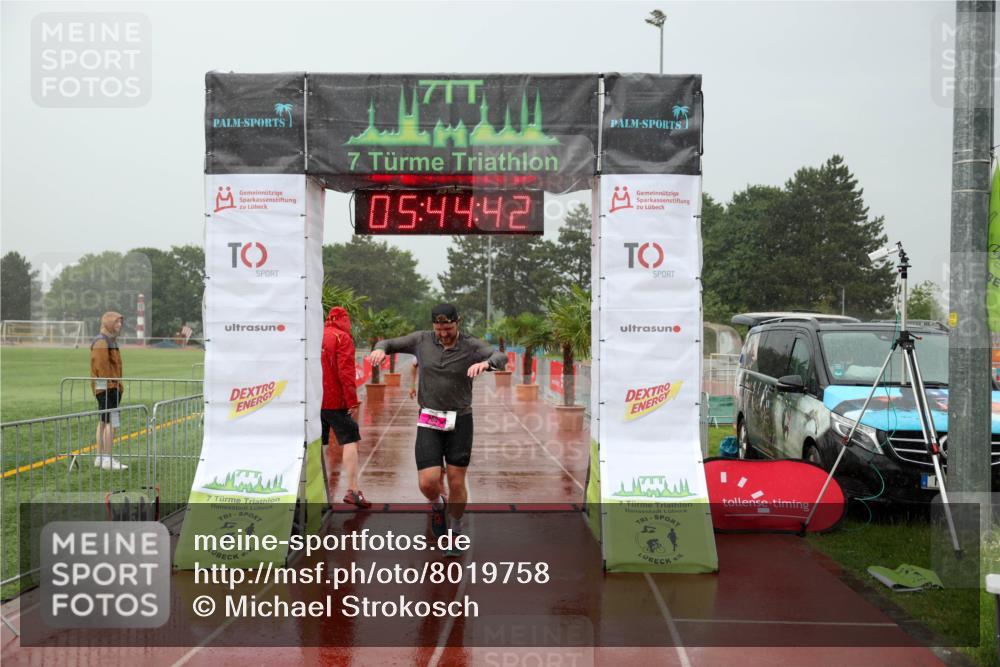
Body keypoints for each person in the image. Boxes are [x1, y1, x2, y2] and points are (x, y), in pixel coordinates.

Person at [368, 303, 506, 556]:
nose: (443, 333)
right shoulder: (421, 340)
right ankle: (437, 503)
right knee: (428, 482)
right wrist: (379, 350)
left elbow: (499, 356)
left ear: (458, 322)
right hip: (430, 419)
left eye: (448, 328)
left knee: (456, 481)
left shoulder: (471, 345)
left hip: (460, 420)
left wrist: (487, 365)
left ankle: (454, 530)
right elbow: (388, 343)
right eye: (439, 328)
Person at [321, 306, 371, 509]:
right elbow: (346, 372)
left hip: (315, 399)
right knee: (350, 437)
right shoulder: (342, 338)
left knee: (319, 442)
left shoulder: (316, 335)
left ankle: (316, 490)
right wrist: (351, 400)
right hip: (335, 400)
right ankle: (353, 490)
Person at [91, 311, 126, 471]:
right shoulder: (102, 341)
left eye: (120, 322)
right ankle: (106, 458)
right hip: (107, 388)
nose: (119, 325)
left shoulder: (109, 340)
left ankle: (101, 457)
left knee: (105, 421)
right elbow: (101, 366)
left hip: (110, 387)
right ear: (108, 323)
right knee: (112, 422)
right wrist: (111, 384)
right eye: (116, 322)